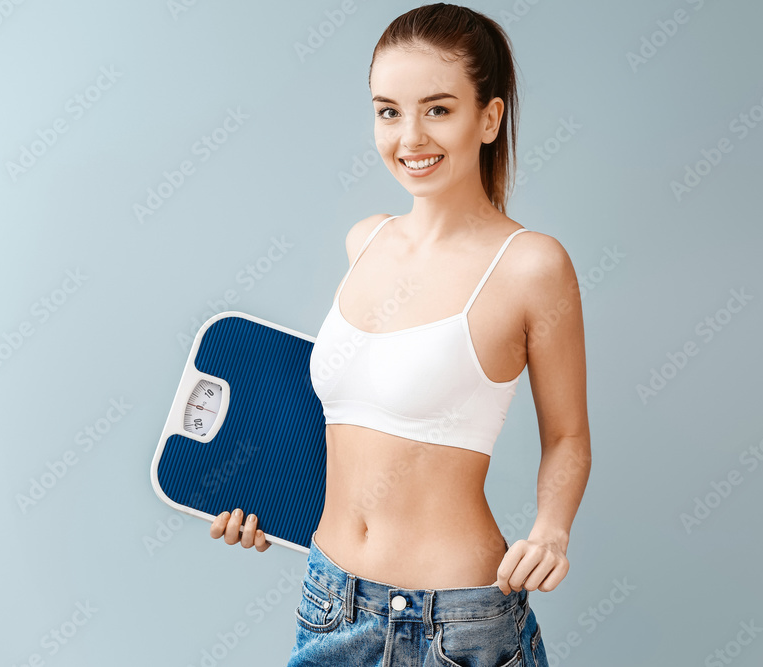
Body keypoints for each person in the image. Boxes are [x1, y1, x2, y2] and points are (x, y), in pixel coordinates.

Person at [209, 4, 590, 665]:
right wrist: (261, 497)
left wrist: (551, 530)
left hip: (457, 621)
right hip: (329, 599)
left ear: (488, 118)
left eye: (438, 109)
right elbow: (350, 420)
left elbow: (568, 437)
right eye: (389, 111)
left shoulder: (532, 265)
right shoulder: (366, 239)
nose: (410, 135)